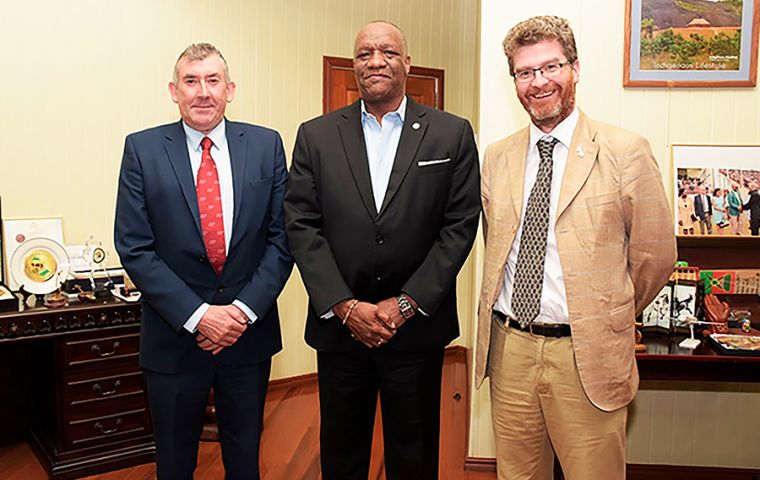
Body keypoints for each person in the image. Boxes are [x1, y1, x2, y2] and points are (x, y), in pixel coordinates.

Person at [474, 16, 676, 480]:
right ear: (515, 81)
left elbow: (654, 257)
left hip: (585, 358)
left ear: (576, 69)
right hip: (511, 351)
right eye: (525, 72)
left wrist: (603, 311)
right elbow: (496, 246)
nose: (539, 82)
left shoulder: (625, 151)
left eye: (551, 67)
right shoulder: (498, 157)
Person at [284, 21, 480, 479]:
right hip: (341, 331)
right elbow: (301, 223)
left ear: (407, 63)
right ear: (354, 66)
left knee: (414, 456)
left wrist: (406, 304)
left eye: (388, 52)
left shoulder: (449, 134)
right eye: (365, 53)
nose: (376, 61)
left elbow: (460, 225)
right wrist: (345, 305)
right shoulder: (316, 135)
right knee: (342, 452)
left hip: (414, 333)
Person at [114, 43, 292, 480]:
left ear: (230, 89)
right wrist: (198, 317)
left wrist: (239, 313)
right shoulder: (142, 149)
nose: (202, 92)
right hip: (174, 339)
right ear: (173, 91)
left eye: (213, 80)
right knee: (174, 463)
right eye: (191, 81)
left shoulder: (267, 145)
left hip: (246, 338)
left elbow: (283, 240)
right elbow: (134, 246)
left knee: (244, 457)